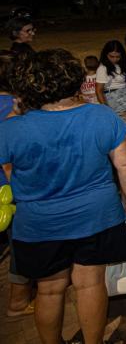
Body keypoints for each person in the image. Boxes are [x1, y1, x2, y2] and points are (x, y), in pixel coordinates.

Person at [0, 49, 126, 344]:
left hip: (39, 224)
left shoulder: (12, 128)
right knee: (90, 284)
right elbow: (124, 163)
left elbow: (8, 167)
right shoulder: (100, 115)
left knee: (49, 289)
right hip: (97, 215)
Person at [1, 50, 35, 319]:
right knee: (22, 246)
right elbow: (10, 161)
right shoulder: (13, 107)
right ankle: (18, 301)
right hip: (11, 191)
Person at [95, 40, 126, 116]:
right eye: (111, 56)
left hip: (125, 93)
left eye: (118, 57)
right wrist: (106, 110)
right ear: (106, 55)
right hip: (113, 97)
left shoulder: (123, 65)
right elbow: (98, 90)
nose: (115, 59)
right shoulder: (103, 68)